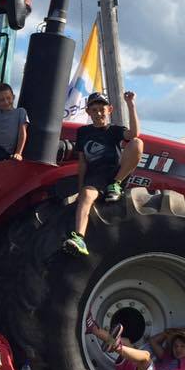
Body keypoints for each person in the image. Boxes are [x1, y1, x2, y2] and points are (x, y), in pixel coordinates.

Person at [64, 90, 143, 256]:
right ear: (88, 112)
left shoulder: (114, 130)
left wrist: (130, 104)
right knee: (86, 197)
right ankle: (79, 238)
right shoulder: (83, 132)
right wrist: (80, 187)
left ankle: (116, 185)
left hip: (115, 172)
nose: (98, 113)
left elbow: (134, 134)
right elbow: (82, 161)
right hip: (95, 176)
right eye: (94, 109)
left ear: (110, 110)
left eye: (102, 109)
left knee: (137, 142)